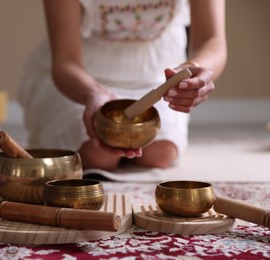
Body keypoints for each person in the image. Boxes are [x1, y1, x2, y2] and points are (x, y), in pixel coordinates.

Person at [18, 0, 227, 171]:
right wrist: (94, 93)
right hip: (80, 81)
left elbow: (213, 42)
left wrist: (194, 71)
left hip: (156, 78)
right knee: (97, 155)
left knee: (160, 153)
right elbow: (66, 63)